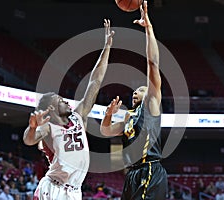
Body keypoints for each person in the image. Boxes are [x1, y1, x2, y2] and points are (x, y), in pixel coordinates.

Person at [23, 19, 114, 200]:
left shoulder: (79, 115)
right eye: (60, 100)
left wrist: (107, 48)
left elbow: (94, 82)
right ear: (51, 108)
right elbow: (29, 140)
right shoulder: (49, 126)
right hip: (53, 188)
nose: (66, 101)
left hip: (74, 191)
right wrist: (32, 128)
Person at [100, 2, 167, 199]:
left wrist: (149, 29)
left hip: (150, 170)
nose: (135, 92)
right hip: (133, 174)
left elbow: (153, 63)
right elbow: (106, 131)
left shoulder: (152, 105)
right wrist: (108, 116)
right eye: (135, 90)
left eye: (141, 89)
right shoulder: (128, 117)